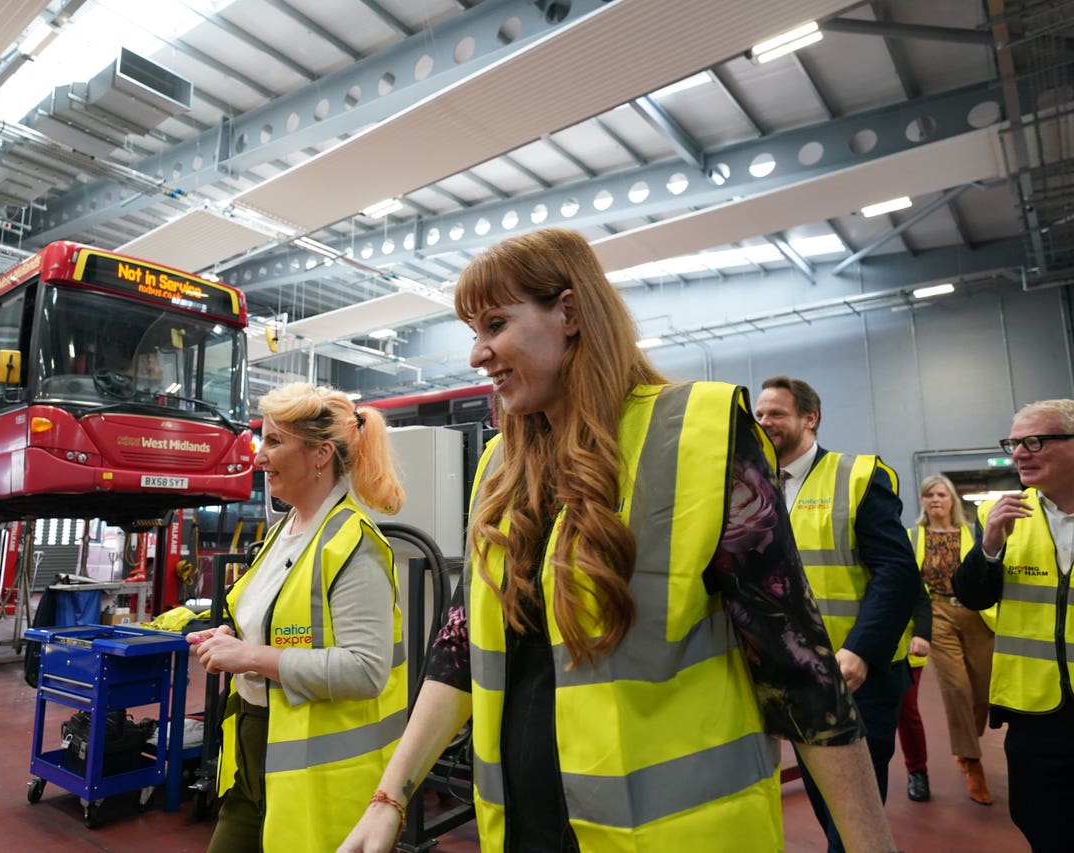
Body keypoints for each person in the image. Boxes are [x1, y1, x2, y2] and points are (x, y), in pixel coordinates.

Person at [339, 227, 898, 853]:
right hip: (524, 828)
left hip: (674, 835)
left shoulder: (701, 433)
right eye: (474, 331)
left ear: (570, 313)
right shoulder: (501, 466)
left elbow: (798, 667)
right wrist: (390, 798)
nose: (477, 353)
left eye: (494, 324)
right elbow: (461, 646)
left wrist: (870, 845)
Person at [186, 382, 407, 853]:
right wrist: (234, 639)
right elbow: (282, 625)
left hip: (315, 774)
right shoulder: (286, 530)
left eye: (274, 442)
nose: (259, 457)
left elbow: (367, 672)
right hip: (252, 757)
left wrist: (251, 654)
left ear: (321, 454)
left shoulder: (354, 544)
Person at [754, 376, 921, 852]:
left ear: (810, 418)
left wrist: (861, 651)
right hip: (795, 676)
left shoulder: (858, 476)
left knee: (853, 825)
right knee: (826, 803)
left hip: (857, 676)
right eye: (760, 415)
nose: (765, 423)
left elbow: (897, 572)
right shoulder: (753, 486)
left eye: (777, 414)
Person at [953, 399, 1074, 851]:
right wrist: (988, 547)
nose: (1019, 453)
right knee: (1039, 821)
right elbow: (972, 595)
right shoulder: (1001, 515)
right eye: (1013, 443)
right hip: (1032, 709)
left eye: (1035, 441)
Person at [911, 473, 994, 805]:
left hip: (976, 614)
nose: (935, 500)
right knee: (956, 688)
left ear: (952, 501)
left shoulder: (970, 533)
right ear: (923, 501)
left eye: (941, 495)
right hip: (938, 614)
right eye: (929, 495)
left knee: (984, 692)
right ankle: (972, 762)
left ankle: (967, 741)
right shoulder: (912, 536)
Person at [897, 585, 932, 801]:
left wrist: (921, 634)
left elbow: (921, 599)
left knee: (906, 711)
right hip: (858, 649)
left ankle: (917, 771)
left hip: (906, 652)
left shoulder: (897, 556)